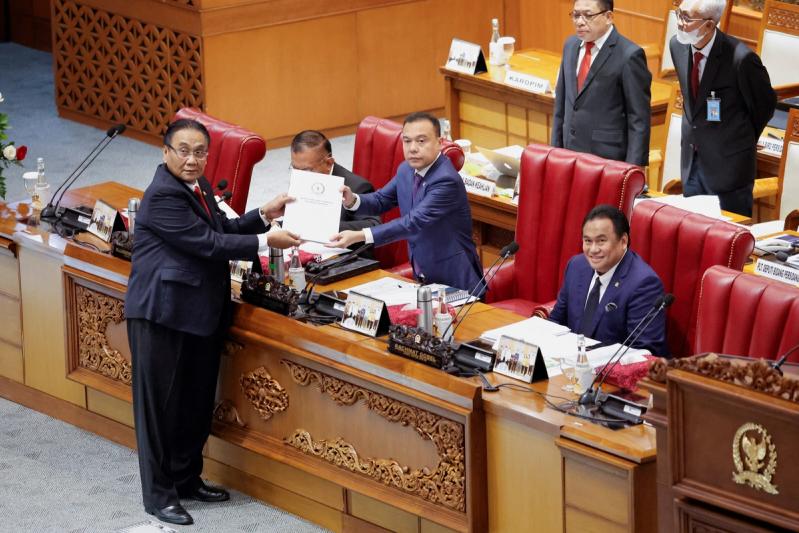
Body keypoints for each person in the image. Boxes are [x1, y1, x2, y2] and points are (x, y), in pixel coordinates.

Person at [125, 119, 300, 526]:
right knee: (159, 411)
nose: (192, 159)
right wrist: (264, 241)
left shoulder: (198, 186)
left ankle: (187, 479)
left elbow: (223, 228)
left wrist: (262, 214)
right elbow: (208, 244)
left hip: (199, 313)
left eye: (199, 152)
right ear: (164, 151)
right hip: (161, 315)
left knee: (194, 403)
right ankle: (159, 496)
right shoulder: (162, 196)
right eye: (183, 151)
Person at [327, 112, 482, 292]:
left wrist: (360, 235)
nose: (413, 148)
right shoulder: (407, 169)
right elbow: (381, 199)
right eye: (407, 141)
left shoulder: (446, 180)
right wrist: (353, 199)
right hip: (423, 274)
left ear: (440, 143)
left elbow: (412, 223)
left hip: (456, 281)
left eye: (421, 141)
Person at [670, 0, 776, 217]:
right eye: (679, 14)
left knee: (728, 243)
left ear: (709, 25)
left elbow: (764, 105)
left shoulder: (741, 59)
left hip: (730, 172)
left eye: (687, 18)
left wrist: (737, 142)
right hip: (691, 163)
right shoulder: (677, 46)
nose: (680, 23)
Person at [549, 205, 668, 355]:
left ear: (623, 241)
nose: (593, 250)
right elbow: (555, 321)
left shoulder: (644, 283)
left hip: (610, 371)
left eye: (601, 241)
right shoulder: (576, 266)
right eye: (587, 241)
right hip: (569, 363)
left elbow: (643, 351)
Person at [552, 0, 651, 167]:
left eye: (588, 15)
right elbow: (561, 105)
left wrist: (634, 169)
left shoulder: (629, 55)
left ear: (609, 17)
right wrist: (554, 153)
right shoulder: (570, 46)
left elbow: (639, 118)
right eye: (576, 15)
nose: (580, 21)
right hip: (568, 156)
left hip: (607, 161)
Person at [290, 130, 380, 233]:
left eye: (307, 170)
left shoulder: (358, 186)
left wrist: (325, 226)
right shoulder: (301, 178)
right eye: (295, 168)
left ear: (329, 163)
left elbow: (373, 225)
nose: (300, 176)